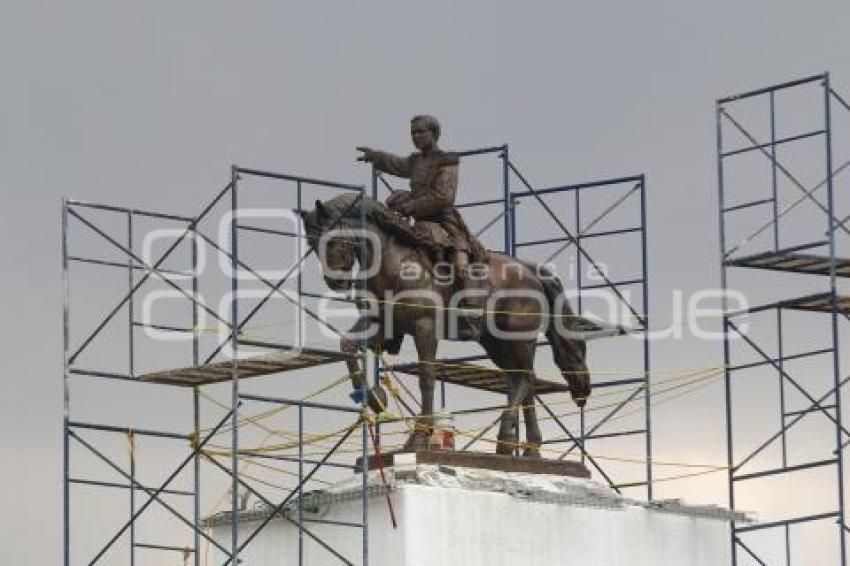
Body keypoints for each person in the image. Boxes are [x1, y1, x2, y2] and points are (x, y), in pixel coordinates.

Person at [356, 115, 487, 336]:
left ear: (433, 133)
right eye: (413, 133)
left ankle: (470, 315)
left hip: (444, 222)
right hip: (421, 223)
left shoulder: (447, 160)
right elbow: (396, 164)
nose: (416, 137)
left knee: (461, 265)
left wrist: (413, 206)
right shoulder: (416, 161)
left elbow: (444, 197)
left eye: (420, 132)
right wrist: (375, 156)